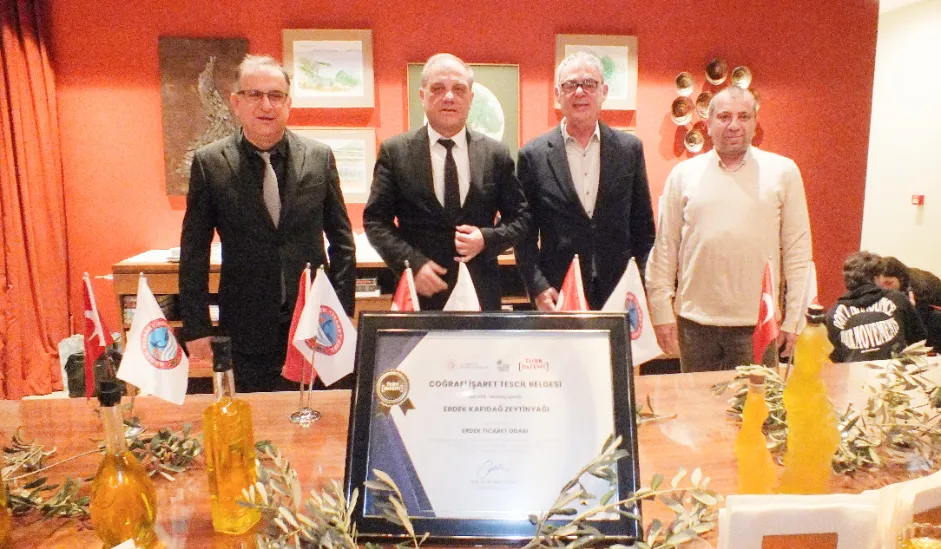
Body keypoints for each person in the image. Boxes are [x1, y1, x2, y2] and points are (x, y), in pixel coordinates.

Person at [179, 55, 356, 393]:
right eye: (254, 95)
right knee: (255, 415)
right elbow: (194, 250)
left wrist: (344, 309)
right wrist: (196, 327)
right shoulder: (210, 163)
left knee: (317, 414)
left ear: (288, 103)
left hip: (315, 324)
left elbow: (342, 241)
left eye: (276, 95)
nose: (266, 105)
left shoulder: (319, 157)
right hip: (245, 326)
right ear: (236, 103)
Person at [645, 86, 813, 372]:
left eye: (743, 116)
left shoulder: (783, 172)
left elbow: (798, 252)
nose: (734, 125)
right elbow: (665, 249)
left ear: (755, 123)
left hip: (759, 323)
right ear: (708, 124)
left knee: (756, 401)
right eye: (724, 117)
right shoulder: (683, 175)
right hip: (694, 325)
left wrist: (795, 319)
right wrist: (661, 311)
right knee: (697, 401)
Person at [363, 53, 530, 310]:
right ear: (422, 96)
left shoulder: (495, 154)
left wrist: (486, 239)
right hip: (419, 296)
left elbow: (520, 218)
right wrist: (411, 264)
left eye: (459, 89)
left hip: (480, 295)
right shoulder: (395, 153)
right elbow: (375, 221)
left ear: (471, 99)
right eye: (438, 88)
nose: (449, 97)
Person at [514, 51, 656, 311]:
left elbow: (643, 229)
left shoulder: (629, 150)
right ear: (558, 94)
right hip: (558, 293)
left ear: (603, 92)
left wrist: (643, 286)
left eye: (589, 84)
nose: (579, 92)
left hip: (621, 292)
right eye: (570, 85)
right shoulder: (533, 156)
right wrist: (537, 286)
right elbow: (523, 234)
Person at [827, 251, 926, 362]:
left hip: (854, 372)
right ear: (877, 277)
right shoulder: (898, 299)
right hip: (894, 371)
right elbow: (920, 340)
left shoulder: (833, 314)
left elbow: (837, 357)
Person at [876, 256, 941, 354]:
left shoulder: (918, 291)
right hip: (933, 320)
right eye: (880, 284)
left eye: (888, 283)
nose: (884, 288)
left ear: (900, 277)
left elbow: (918, 330)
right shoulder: (902, 281)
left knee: (935, 360)